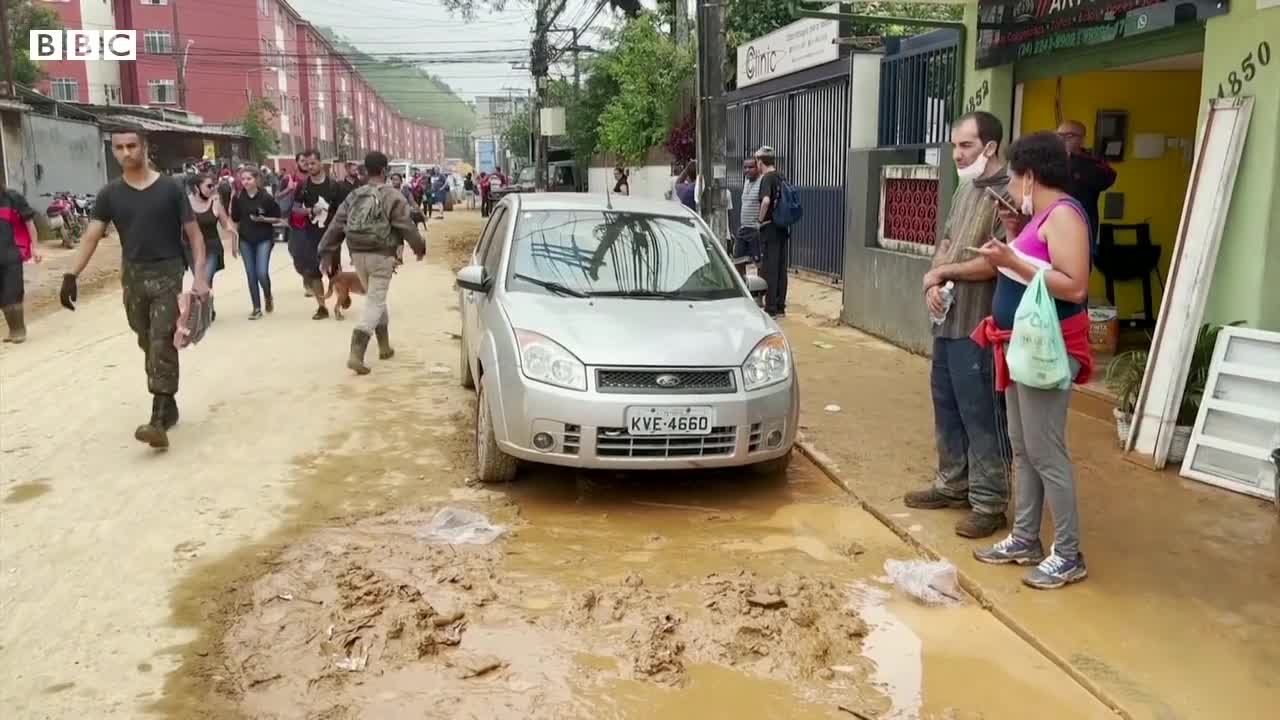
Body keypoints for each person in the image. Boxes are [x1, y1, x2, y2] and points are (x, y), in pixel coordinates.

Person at [970, 130, 1096, 590]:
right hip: (1020, 346)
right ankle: (1025, 536)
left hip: (1046, 349)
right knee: (1023, 448)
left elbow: (1074, 285)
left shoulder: (1065, 216)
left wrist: (1014, 260)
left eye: (1017, 176)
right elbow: (1032, 267)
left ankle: (1068, 552)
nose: (1013, 187)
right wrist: (1010, 240)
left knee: (1047, 452)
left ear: (1031, 175)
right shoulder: (1038, 215)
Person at [60, 127, 208, 449]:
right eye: (119, 148)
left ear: (144, 147)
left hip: (168, 271)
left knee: (160, 339)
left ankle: (157, 417)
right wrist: (71, 274)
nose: (126, 153)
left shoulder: (170, 188)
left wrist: (199, 275)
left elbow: (195, 236)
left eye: (131, 146)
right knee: (145, 338)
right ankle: (168, 404)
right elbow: (92, 235)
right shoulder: (110, 194)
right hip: (133, 276)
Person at [905, 111, 1013, 539]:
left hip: (981, 326)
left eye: (966, 145)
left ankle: (989, 501)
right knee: (946, 404)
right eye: (953, 145)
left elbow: (995, 262)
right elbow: (947, 241)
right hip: (948, 320)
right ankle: (953, 483)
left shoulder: (1009, 195)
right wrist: (936, 277)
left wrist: (941, 274)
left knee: (981, 411)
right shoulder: (966, 189)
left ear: (990, 147)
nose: (957, 153)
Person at [319, 151, 427, 375]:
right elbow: (405, 225)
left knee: (375, 297)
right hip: (382, 255)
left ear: (365, 171)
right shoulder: (392, 195)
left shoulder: (354, 195)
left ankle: (385, 346)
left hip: (357, 254)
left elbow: (337, 224)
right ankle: (356, 353)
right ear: (385, 171)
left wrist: (325, 251)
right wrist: (419, 247)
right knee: (375, 301)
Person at [292, 149, 342, 319]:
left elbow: (344, 211)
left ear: (321, 163)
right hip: (310, 235)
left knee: (333, 271)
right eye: (306, 164)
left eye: (313, 163)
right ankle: (322, 306)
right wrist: (309, 210)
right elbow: (295, 210)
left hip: (332, 236)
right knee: (313, 272)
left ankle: (340, 301)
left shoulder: (334, 186)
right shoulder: (303, 186)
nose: (310, 167)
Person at [1056, 120, 1116, 251]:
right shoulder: (1049, 160)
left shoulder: (1091, 162)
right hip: (1053, 224)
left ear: (1082, 139)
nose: (1063, 139)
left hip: (1081, 225)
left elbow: (1108, 178)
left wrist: (1074, 160)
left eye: (1069, 136)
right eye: (1059, 135)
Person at [230, 168, 281, 319]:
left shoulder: (266, 197)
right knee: (251, 275)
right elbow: (235, 220)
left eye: (249, 179)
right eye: (243, 179)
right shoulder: (239, 197)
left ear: (257, 179)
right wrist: (234, 242)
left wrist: (263, 220)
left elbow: (277, 218)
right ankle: (256, 308)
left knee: (261, 272)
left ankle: (267, 295)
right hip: (245, 240)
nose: (245, 182)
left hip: (263, 238)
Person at [185, 172, 237, 306]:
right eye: (209, 186)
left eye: (213, 186)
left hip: (212, 247)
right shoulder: (185, 204)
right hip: (191, 248)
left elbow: (226, 224)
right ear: (197, 188)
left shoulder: (215, 203)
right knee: (199, 278)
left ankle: (199, 309)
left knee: (206, 278)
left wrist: (234, 236)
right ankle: (207, 309)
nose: (212, 189)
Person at [0, 183, 40, 343]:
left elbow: (29, 223)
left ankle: (18, 330)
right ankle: (12, 330)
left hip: (12, 253)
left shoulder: (12, 198)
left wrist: (35, 247)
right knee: (2, 294)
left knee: (13, 291)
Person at [755, 146, 788, 318]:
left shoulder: (767, 178)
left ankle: (771, 308)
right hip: (783, 227)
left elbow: (766, 200)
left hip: (770, 228)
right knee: (782, 267)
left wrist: (759, 221)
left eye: (757, 162)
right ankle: (781, 306)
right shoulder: (781, 177)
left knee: (770, 268)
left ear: (760, 162)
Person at [734, 158, 763, 273]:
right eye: (745, 167)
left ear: (757, 168)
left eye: (751, 167)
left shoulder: (762, 182)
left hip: (755, 230)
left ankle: (762, 287)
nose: (747, 170)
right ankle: (743, 284)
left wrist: (758, 223)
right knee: (738, 260)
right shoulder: (746, 181)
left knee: (759, 263)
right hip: (743, 228)